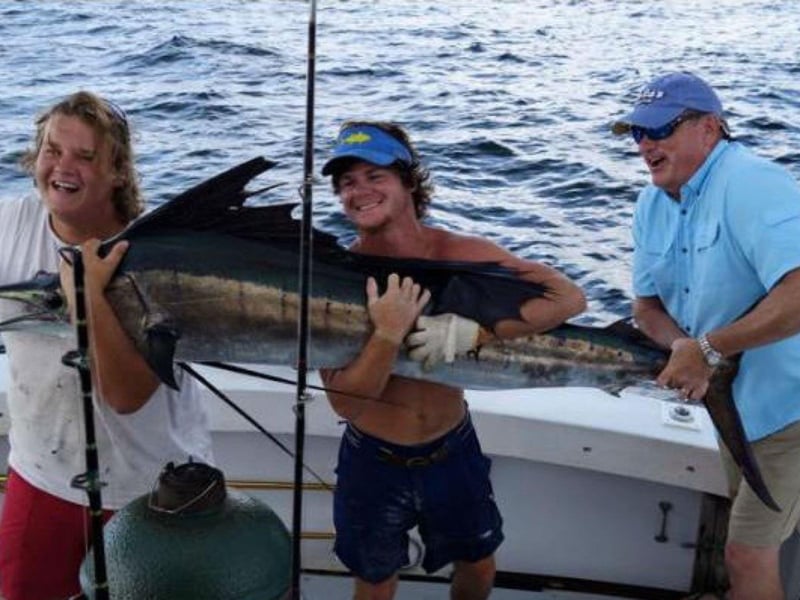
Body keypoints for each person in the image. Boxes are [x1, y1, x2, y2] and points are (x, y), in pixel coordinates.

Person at [319, 120, 586, 600]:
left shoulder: (460, 253)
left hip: (452, 450)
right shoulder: (334, 274)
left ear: (408, 181)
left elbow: (567, 298)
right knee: (375, 585)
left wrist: (477, 331)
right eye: (346, 183)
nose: (358, 191)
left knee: (479, 567)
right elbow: (346, 405)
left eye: (373, 176)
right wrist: (387, 333)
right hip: (372, 459)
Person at [0, 91, 214, 600]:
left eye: (85, 156)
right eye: (52, 149)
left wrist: (90, 296)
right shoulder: (11, 225)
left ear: (118, 172)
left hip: (154, 487)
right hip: (41, 475)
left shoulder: (156, 254)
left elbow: (125, 395)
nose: (62, 166)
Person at [612, 71, 800, 599]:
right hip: (731, 408)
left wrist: (709, 349)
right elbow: (645, 307)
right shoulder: (652, 203)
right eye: (637, 133)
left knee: (746, 553)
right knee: (744, 544)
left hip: (791, 405)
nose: (646, 144)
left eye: (660, 130)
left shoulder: (751, 182)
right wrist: (684, 349)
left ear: (710, 129)